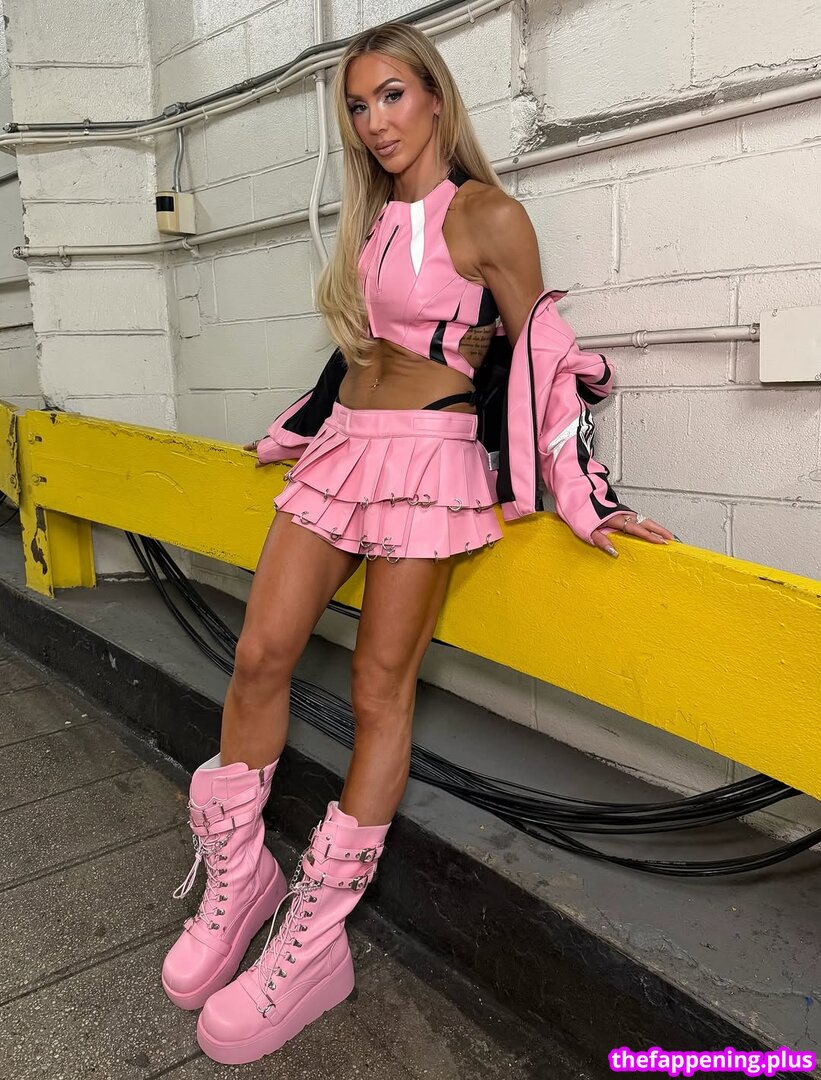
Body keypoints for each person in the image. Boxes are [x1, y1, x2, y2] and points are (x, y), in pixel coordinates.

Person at [161, 21, 675, 1066]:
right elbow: (358, 353)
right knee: (258, 655)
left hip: (429, 460)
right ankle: (241, 876)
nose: (374, 122)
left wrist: (588, 492)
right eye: (358, 106)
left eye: (390, 96)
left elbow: (539, 358)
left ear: (434, 95)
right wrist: (302, 424)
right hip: (344, 450)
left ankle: (314, 940)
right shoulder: (373, 219)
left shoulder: (488, 215)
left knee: (375, 690)